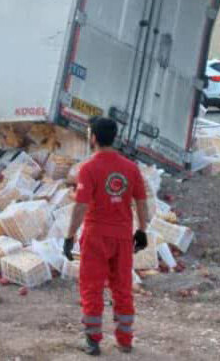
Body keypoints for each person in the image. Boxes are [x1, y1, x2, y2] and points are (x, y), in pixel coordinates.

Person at [64, 117, 148, 356]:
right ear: (115, 138)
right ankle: (125, 340)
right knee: (122, 287)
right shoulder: (131, 168)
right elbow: (141, 202)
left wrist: (69, 236)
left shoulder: (89, 168)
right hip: (122, 237)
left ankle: (93, 341)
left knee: (92, 287)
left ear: (93, 138)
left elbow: (80, 206)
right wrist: (142, 230)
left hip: (95, 237)